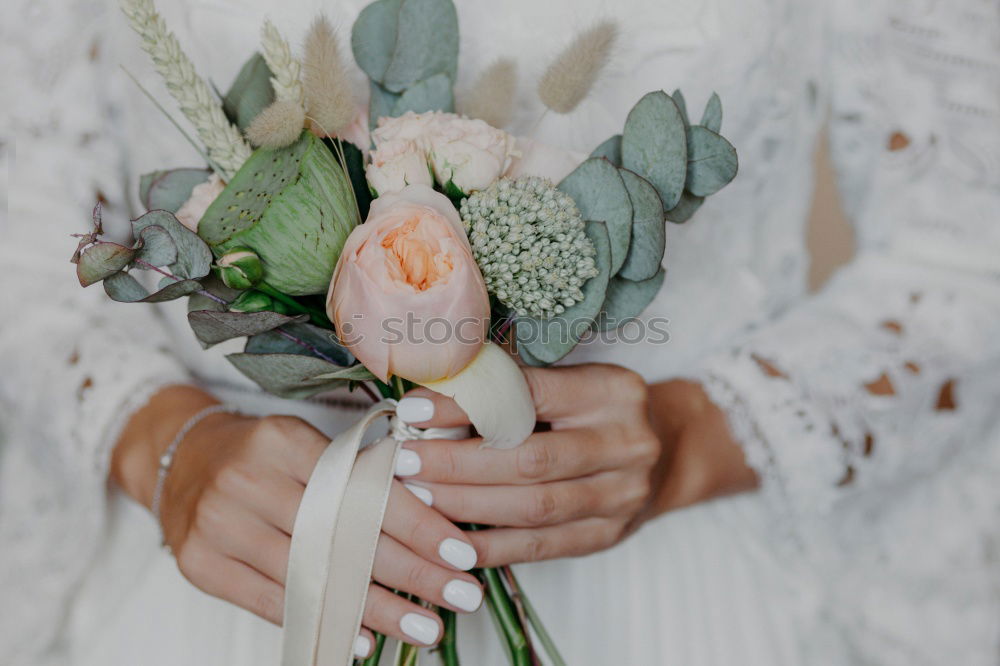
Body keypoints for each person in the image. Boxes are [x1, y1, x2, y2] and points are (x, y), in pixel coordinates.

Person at [3, 0, 998, 664]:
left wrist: (699, 435)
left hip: (667, 594)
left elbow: (966, 252)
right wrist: (158, 439)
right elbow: (24, 227)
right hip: (234, 582)